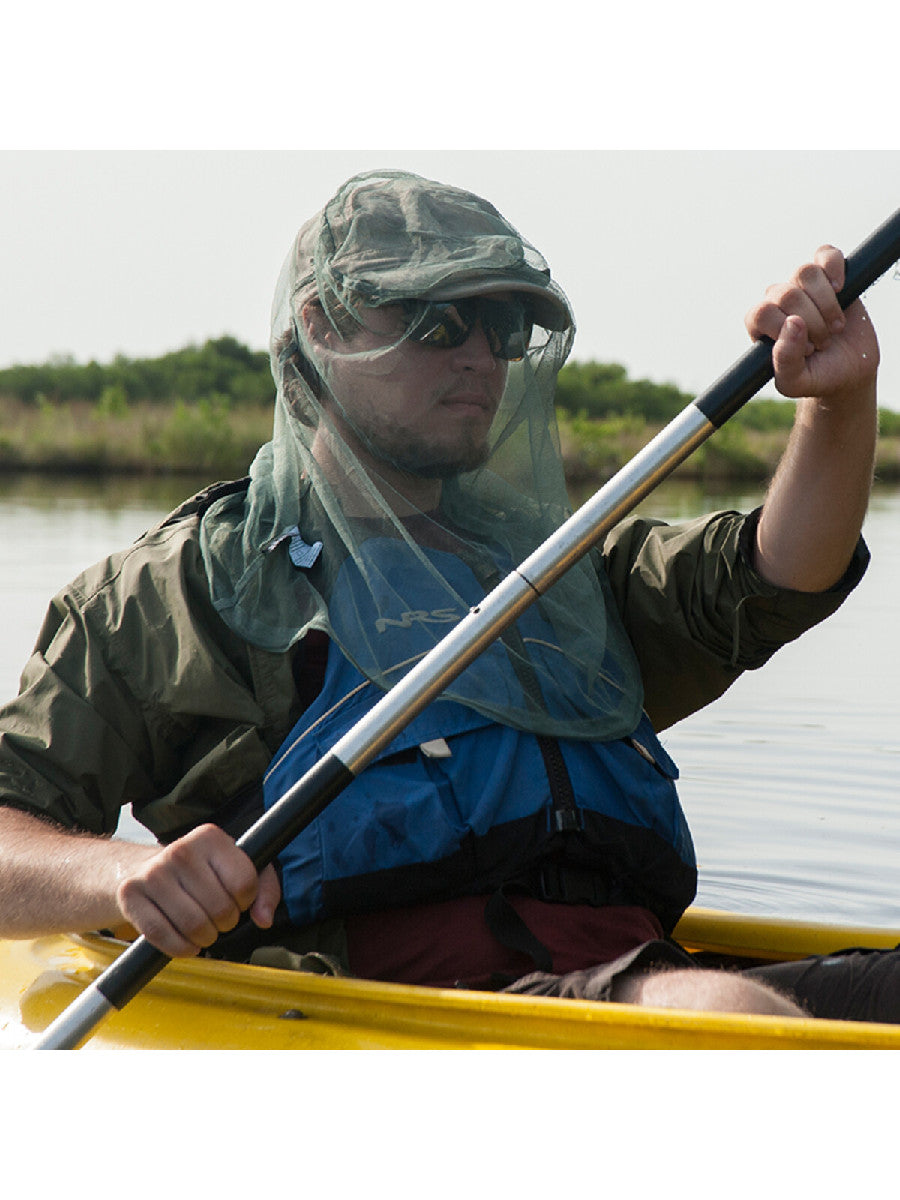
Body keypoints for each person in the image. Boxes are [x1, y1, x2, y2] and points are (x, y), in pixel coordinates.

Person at [0, 169, 890, 1023]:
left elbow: (779, 574)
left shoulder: (558, 566)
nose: (477, 357)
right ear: (321, 325)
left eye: (500, 329)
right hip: (387, 994)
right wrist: (118, 876)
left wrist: (838, 402)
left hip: (626, 968)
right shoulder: (167, 595)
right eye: (437, 322)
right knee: (724, 1013)